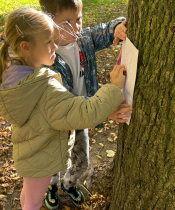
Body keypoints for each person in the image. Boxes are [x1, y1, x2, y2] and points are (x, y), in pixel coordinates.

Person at [0, 7, 126, 210]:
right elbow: (82, 112)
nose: (55, 46)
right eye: (49, 42)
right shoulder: (44, 89)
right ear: (26, 47)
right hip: (41, 159)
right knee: (32, 203)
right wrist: (114, 89)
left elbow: (94, 33)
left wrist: (117, 26)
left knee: (29, 196)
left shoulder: (14, 73)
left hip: (34, 150)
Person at [39, 0, 132, 208]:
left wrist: (116, 27)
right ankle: (51, 186)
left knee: (82, 159)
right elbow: (65, 103)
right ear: (49, 23)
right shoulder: (47, 59)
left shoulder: (83, 41)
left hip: (82, 119)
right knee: (53, 161)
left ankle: (70, 184)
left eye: (78, 20)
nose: (75, 28)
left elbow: (101, 32)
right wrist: (106, 111)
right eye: (66, 23)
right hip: (57, 125)